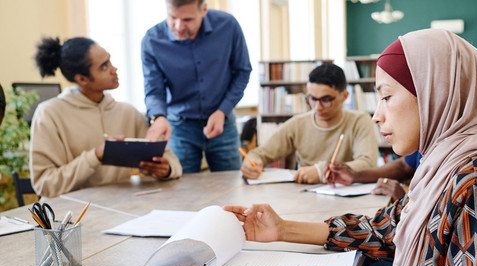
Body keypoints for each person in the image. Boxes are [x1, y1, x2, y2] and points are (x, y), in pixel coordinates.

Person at [224, 29, 477, 266]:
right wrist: (282, 229)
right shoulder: (445, 164)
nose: (377, 115)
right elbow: (388, 226)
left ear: (435, 95)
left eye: (387, 97)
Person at [30, 37, 182, 198]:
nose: (114, 69)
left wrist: (166, 169)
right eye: (104, 66)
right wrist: (95, 156)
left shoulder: (128, 112)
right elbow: (44, 185)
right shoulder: (49, 113)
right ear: (82, 79)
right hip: (71, 216)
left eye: (109, 61)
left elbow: (174, 163)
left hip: (119, 210)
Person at [142, 0, 252, 173]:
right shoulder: (151, 40)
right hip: (179, 126)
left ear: (204, 10)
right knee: (181, 187)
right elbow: (154, 89)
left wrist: (223, 110)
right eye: (172, 17)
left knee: (230, 184)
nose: (178, 26)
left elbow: (242, 72)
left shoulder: (228, 26)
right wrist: (158, 116)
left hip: (222, 121)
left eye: (187, 20)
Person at [241, 63, 378, 184]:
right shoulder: (298, 123)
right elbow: (260, 154)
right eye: (312, 98)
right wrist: (250, 162)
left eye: (326, 99)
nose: (317, 107)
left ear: (344, 96)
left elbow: (368, 164)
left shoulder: (359, 121)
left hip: (346, 194)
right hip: (305, 196)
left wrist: (320, 171)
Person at [327, 151, 420, 201]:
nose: (375, 119)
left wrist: (405, 201)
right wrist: (355, 176)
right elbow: (404, 166)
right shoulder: (424, 144)